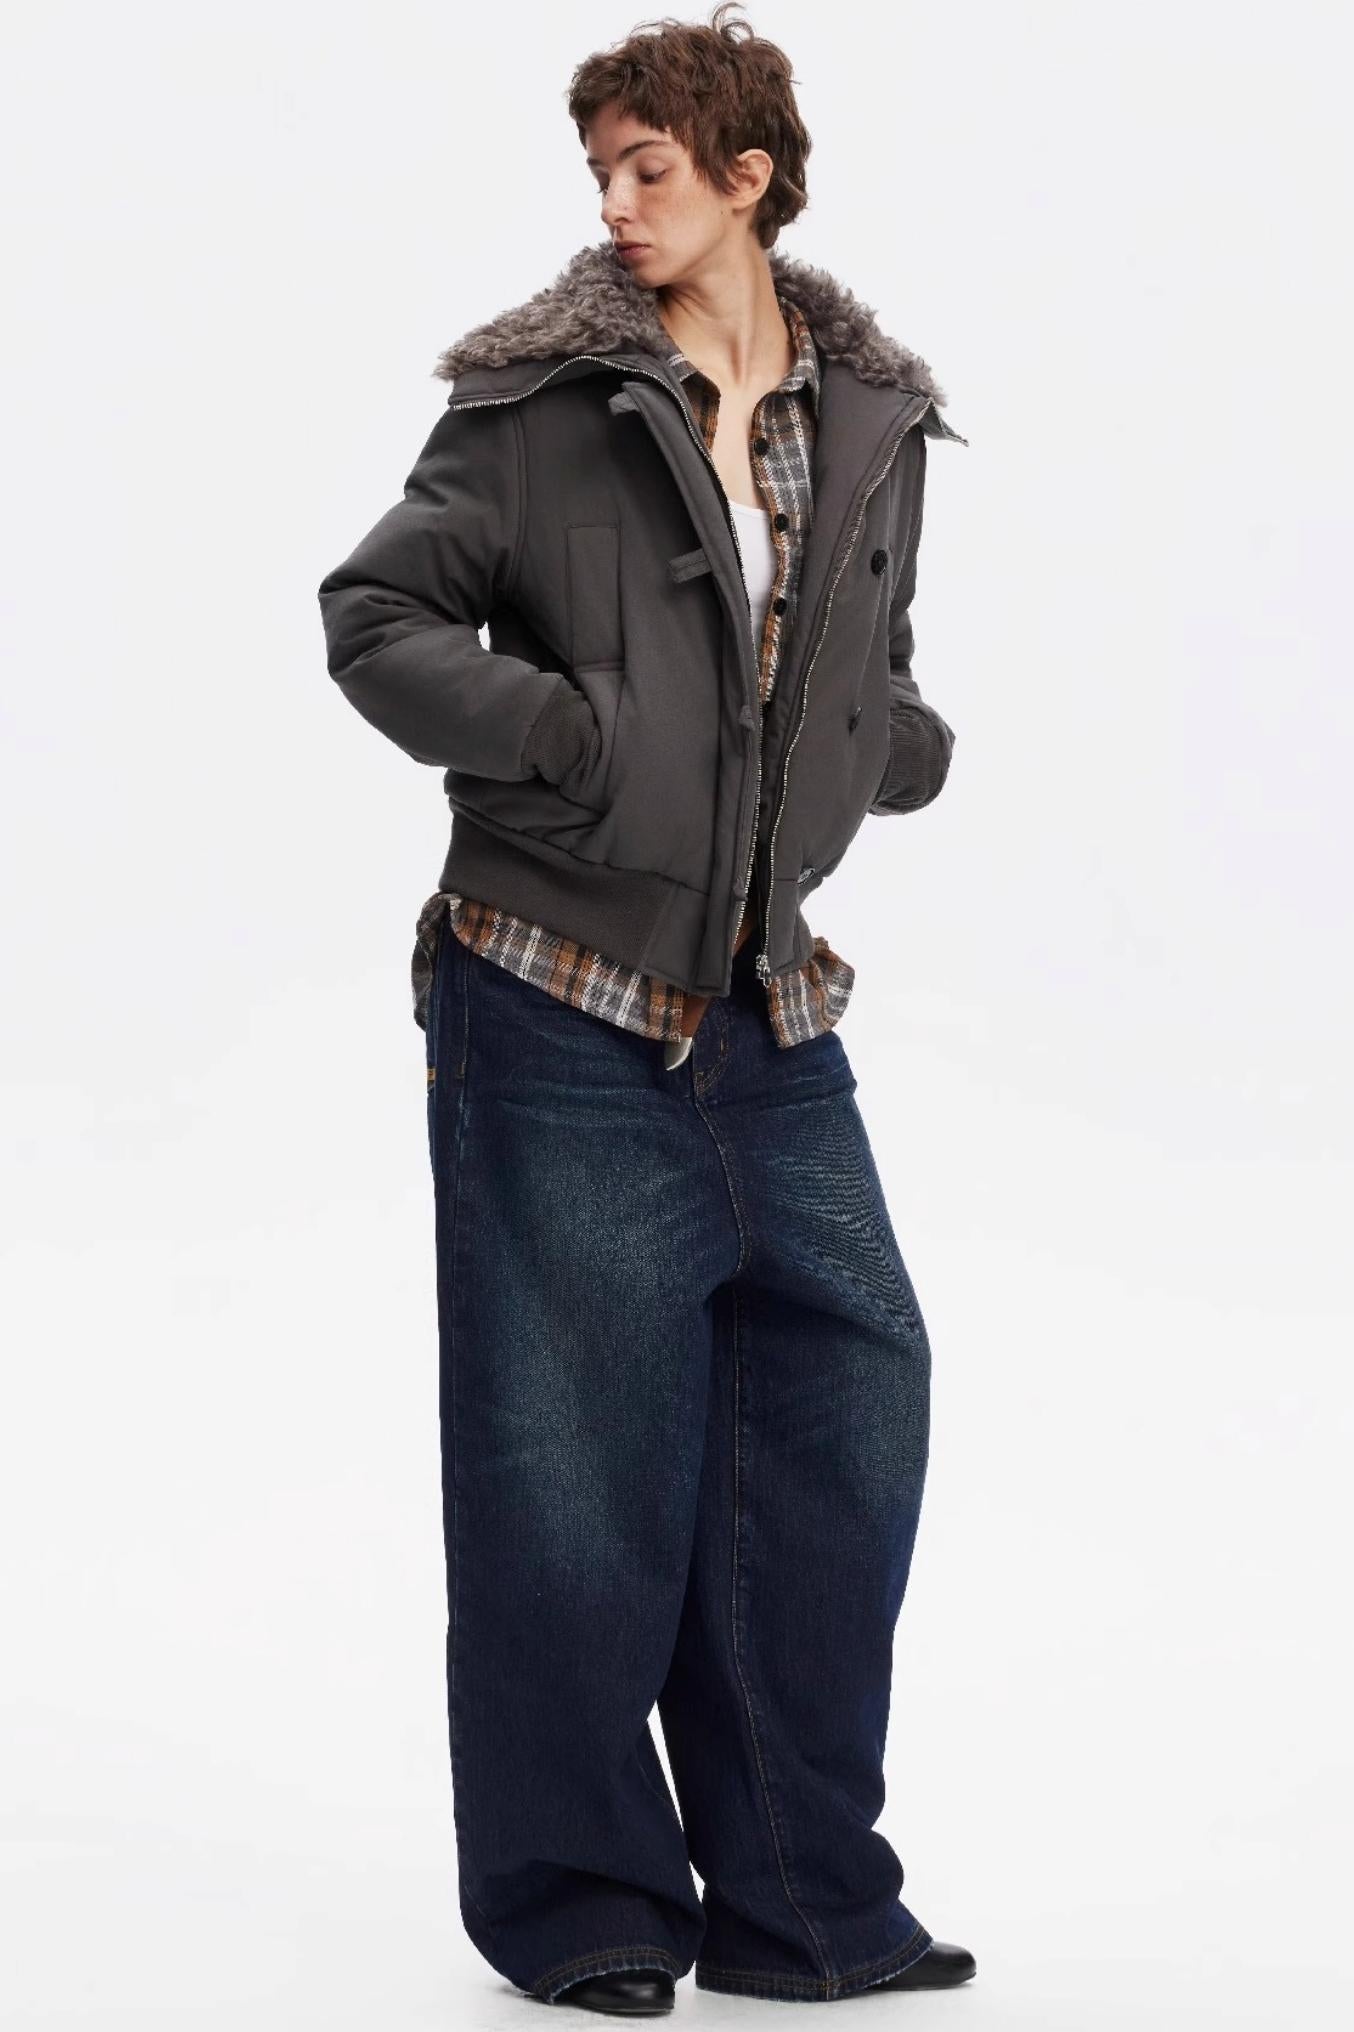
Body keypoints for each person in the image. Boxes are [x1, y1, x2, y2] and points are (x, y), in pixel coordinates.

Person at [317, 4, 972, 2013]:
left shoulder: (868, 422)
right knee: (572, 1469)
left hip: (769, 1001)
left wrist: (876, 746)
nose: (613, 204)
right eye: (597, 170)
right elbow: (376, 616)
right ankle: (584, 1903)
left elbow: (866, 661)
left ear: (746, 177)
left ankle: (801, 1902)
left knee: (843, 1417)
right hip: (553, 993)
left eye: (646, 168)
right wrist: (575, 742)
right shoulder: (538, 405)